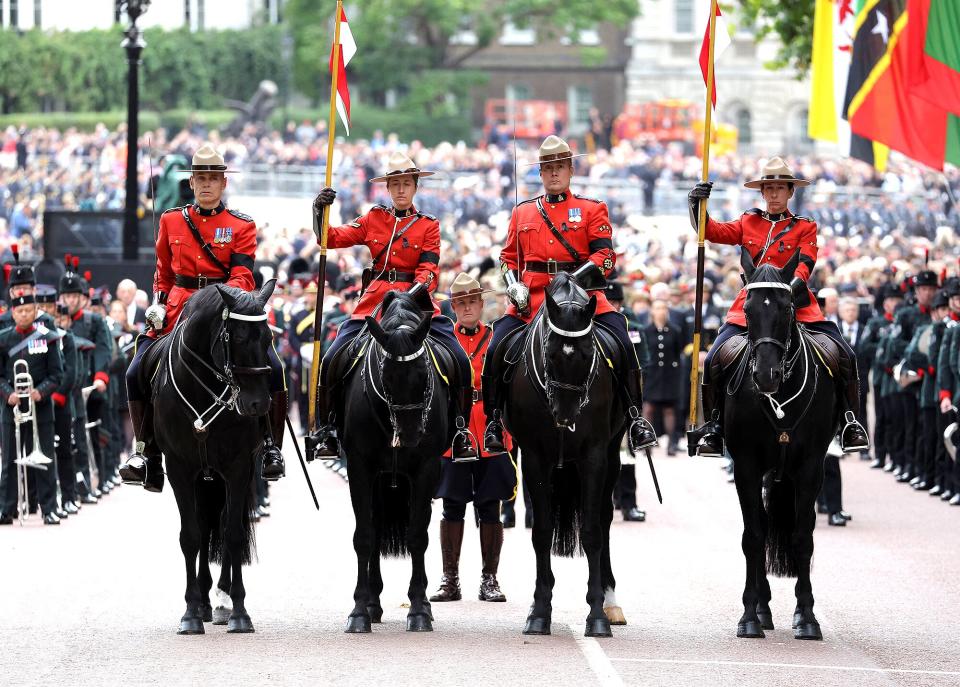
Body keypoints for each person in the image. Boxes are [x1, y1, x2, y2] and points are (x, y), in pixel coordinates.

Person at [119, 144, 288, 491]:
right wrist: (159, 301)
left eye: (213, 178)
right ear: (192, 183)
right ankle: (145, 452)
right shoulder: (170, 220)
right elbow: (163, 273)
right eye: (201, 179)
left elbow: (243, 277)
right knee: (136, 369)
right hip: (178, 308)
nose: (207, 185)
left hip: (226, 309)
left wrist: (212, 301)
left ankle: (271, 447)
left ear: (224, 183)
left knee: (273, 366)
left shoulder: (241, 225)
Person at [481, 135, 657, 454]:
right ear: (540, 173)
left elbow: (604, 257)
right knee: (495, 347)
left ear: (571, 169)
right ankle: (493, 420)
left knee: (621, 339)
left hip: (583, 297)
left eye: (560, 167)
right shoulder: (523, 213)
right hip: (532, 299)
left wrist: (571, 282)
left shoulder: (591, 209)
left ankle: (635, 417)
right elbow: (507, 258)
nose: (554, 173)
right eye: (548, 168)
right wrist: (512, 283)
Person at [686, 157, 870, 457]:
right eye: (768, 188)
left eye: (779, 189)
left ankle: (850, 422)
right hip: (752, 308)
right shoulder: (748, 222)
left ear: (790, 192)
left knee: (845, 354)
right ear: (761, 193)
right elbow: (712, 232)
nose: (773, 194)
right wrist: (697, 206)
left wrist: (788, 290)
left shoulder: (805, 226)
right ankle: (716, 427)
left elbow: (805, 265)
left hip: (796, 304)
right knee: (714, 358)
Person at [310, 151, 476, 460]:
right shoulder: (374, 218)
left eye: (406, 184)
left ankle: (461, 428)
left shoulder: (429, 225)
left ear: (415, 186)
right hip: (374, 304)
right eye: (395, 184)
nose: (400, 190)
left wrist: (415, 290)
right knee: (331, 358)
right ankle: (328, 429)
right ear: (387, 188)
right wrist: (320, 211)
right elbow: (330, 238)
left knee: (457, 357)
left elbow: (429, 270)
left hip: (417, 304)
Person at [430, 273, 517, 604]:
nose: (467, 308)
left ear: (481, 305)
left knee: (490, 506)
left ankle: (489, 579)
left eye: (472, 302)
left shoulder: (496, 339)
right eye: (460, 303)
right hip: (455, 430)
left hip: (490, 431)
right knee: (452, 506)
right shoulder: (442, 341)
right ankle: (450, 579)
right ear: (453, 308)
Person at [0, 294, 64, 525]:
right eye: (20, 311)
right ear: (13, 313)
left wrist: (41, 391)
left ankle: (49, 509)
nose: (24, 314)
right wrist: (9, 393)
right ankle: (6, 509)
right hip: (12, 408)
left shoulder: (49, 338)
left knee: (45, 458)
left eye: (28, 310)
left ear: (36, 311)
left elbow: (58, 374)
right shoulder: (3, 338)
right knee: (8, 459)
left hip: (41, 407)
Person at [607, 280, 649, 522]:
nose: (611, 306)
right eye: (608, 301)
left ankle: (629, 502)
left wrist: (635, 395)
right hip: (600, 397)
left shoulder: (630, 326)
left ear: (621, 303)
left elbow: (644, 361)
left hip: (625, 398)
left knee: (627, 453)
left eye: (614, 302)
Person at [642, 298, 684, 457]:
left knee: (669, 410)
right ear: (652, 311)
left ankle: (671, 444)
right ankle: (647, 443)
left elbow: (678, 352)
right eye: (657, 308)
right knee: (648, 409)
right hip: (652, 375)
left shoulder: (674, 330)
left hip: (669, 375)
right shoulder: (646, 330)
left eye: (664, 308)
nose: (661, 311)